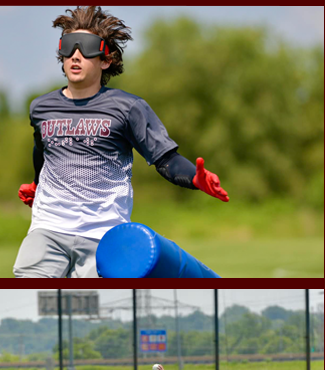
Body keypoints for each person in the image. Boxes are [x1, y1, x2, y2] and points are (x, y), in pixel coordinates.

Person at [15, 6, 229, 278]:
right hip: (48, 228)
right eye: (69, 46)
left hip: (103, 235)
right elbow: (43, 149)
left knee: (89, 309)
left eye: (88, 47)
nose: (76, 55)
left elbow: (165, 159)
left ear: (106, 60)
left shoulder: (128, 108)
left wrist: (195, 178)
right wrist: (36, 183)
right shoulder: (41, 107)